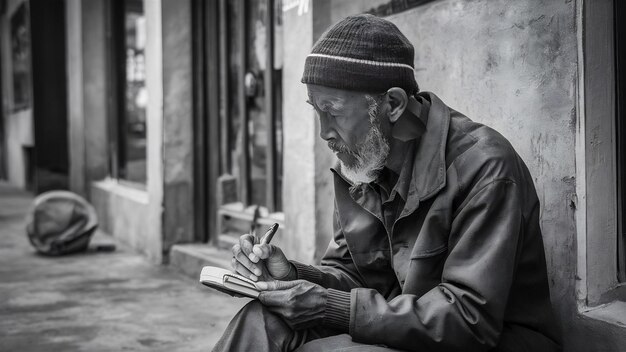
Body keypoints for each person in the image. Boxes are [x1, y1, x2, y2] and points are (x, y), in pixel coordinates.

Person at [213, 14, 562, 352]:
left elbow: (469, 320)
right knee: (262, 318)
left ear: (392, 104)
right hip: (399, 325)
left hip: (486, 341)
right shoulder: (365, 161)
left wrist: (330, 307)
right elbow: (356, 275)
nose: (324, 133)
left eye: (332, 111)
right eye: (316, 111)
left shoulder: (484, 166)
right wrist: (291, 274)